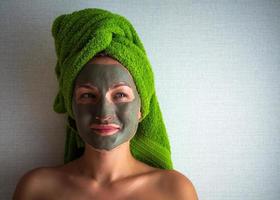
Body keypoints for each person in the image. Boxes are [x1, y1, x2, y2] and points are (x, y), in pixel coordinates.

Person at [13, 8, 198, 200]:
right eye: (87, 95)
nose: (103, 112)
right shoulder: (36, 188)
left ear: (142, 109)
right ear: (71, 108)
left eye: (120, 95)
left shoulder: (175, 190)